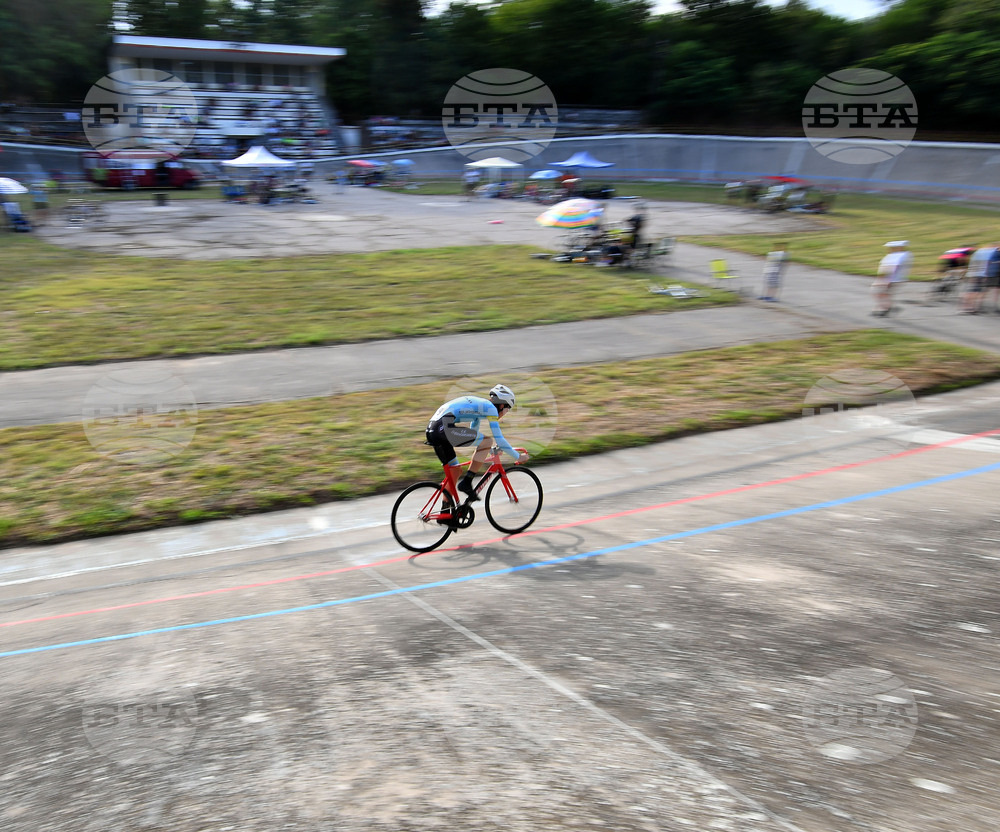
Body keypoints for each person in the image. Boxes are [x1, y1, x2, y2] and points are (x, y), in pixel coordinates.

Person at [425, 384, 529, 503]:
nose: (506, 412)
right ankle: (467, 482)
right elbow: (498, 439)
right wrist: (518, 456)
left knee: (455, 471)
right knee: (488, 440)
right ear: (502, 405)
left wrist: (489, 449)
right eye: (507, 409)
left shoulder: (481, 406)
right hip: (443, 429)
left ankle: (445, 512)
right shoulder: (490, 409)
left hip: (433, 430)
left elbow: (473, 434)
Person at [872, 240, 912, 317]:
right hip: (890, 278)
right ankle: (886, 308)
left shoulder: (898, 256)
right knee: (882, 293)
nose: (889, 249)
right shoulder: (897, 255)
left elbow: (893, 268)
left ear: (898, 248)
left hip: (891, 279)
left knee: (879, 292)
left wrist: (887, 280)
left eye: (891, 248)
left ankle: (886, 308)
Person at [961, 243, 994, 314]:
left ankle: (969, 308)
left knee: (974, 292)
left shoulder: (976, 254)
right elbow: (984, 265)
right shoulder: (981, 254)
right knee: (974, 292)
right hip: (978, 275)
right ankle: (970, 308)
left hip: (974, 274)